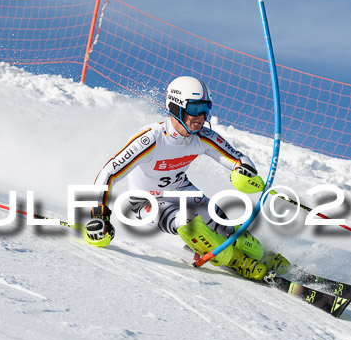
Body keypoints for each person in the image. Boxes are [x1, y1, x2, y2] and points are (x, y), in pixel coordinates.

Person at [84, 76, 289, 281]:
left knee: (225, 224)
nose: (200, 116)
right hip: (147, 202)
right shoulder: (151, 138)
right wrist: (99, 214)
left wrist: (245, 171)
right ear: (175, 107)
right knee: (187, 222)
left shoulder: (202, 137)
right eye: (194, 109)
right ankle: (236, 260)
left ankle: (265, 257)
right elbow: (109, 172)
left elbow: (238, 159)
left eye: (205, 109)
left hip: (181, 190)